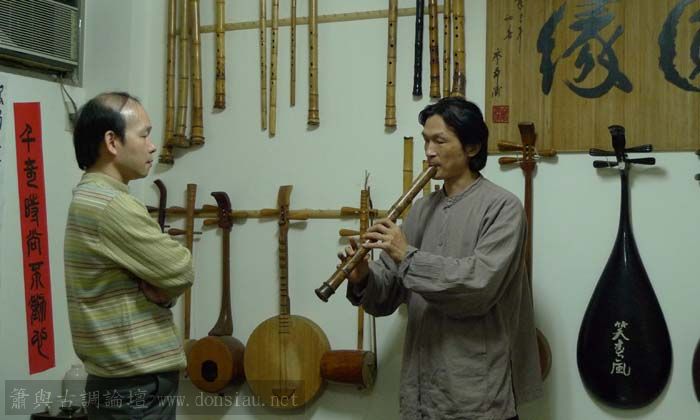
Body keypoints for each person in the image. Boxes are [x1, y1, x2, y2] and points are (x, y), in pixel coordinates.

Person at [342, 97, 543, 420]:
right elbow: (388, 294)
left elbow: (478, 286)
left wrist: (407, 256)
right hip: (421, 392)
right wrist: (364, 276)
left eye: (440, 140)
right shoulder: (421, 210)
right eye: (426, 141)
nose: (429, 151)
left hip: (476, 395)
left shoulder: (503, 208)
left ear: (472, 147)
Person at [64, 92, 193, 419]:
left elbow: (166, 274)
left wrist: (162, 289)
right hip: (135, 383)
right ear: (112, 142)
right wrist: (165, 286)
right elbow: (181, 268)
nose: (152, 146)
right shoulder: (111, 205)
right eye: (144, 135)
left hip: (122, 380)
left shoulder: (92, 196)